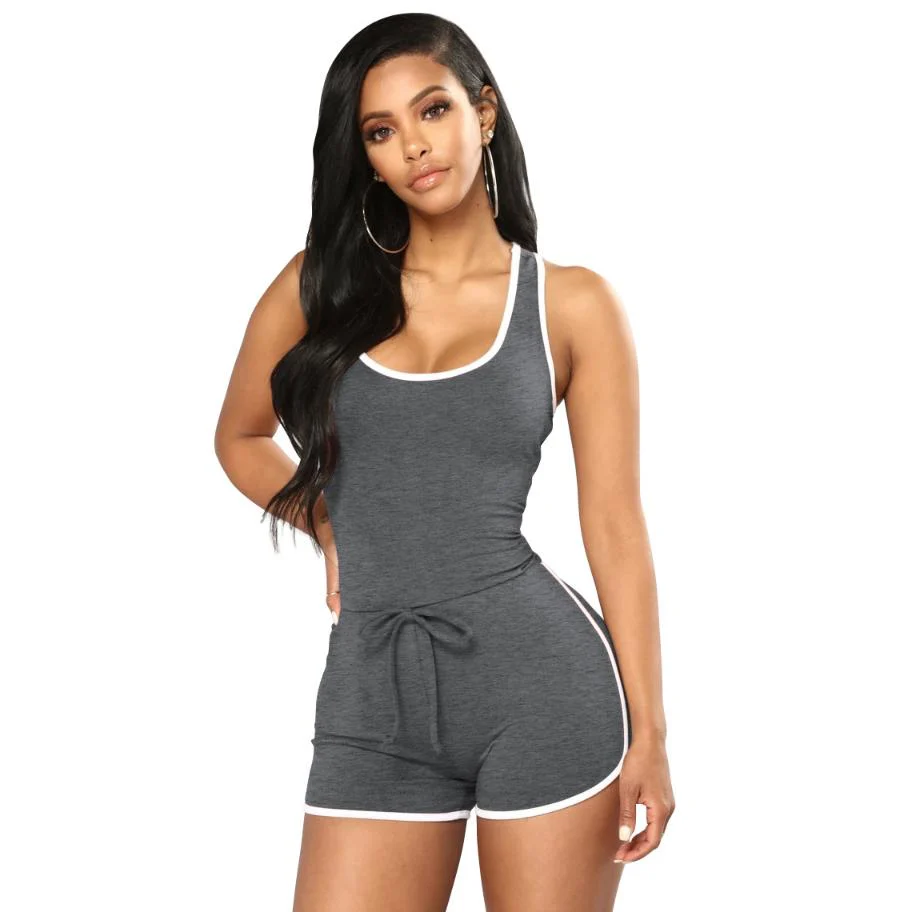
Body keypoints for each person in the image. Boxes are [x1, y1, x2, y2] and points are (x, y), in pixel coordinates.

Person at [214, 12, 674, 911]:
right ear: (366, 158)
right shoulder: (318, 287)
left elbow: (615, 525)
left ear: (484, 113)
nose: (414, 146)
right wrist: (327, 522)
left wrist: (651, 735)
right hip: (371, 693)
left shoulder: (571, 305)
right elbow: (239, 436)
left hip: (543, 690)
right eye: (380, 131)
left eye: (433, 110)